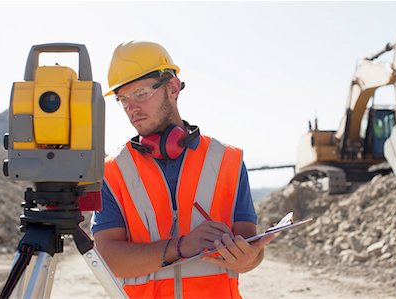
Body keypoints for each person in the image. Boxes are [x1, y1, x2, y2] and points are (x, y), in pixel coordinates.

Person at [91, 41, 274, 299]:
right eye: (123, 99)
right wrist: (181, 246)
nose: (132, 108)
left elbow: (251, 249)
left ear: (173, 88)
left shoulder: (228, 160)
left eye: (141, 93)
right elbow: (109, 258)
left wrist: (246, 259)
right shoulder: (113, 171)